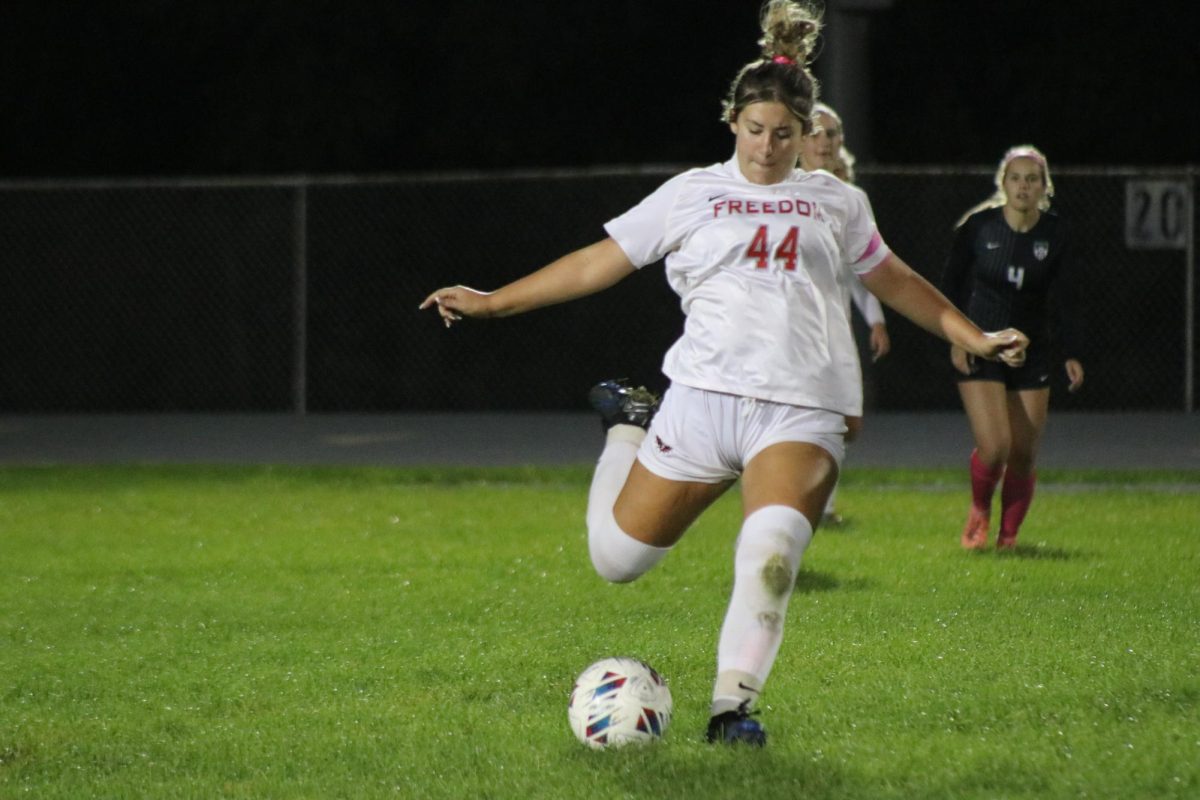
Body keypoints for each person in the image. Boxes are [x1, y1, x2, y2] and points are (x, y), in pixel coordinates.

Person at [421, 0, 1028, 747]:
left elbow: (896, 279)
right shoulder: (691, 193)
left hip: (803, 409)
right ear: (731, 124)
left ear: (806, 136)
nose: (768, 147)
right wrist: (493, 303)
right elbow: (594, 263)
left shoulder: (838, 202)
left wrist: (974, 334)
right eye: (754, 130)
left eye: (784, 134)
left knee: (770, 554)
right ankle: (627, 430)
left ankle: (731, 710)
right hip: (702, 401)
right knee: (617, 561)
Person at [941, 144, 1084, 551]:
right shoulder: (978, 226)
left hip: (1032, 351)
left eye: (1032, 178)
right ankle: (980, 511)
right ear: (1002, 183)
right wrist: (958, 338)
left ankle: (1009, 538)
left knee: (1022, 452)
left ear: (1045, 187)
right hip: (981, 346)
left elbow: (1069, 297)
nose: (1024, 186)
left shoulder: (1056, 233)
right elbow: (949, 289)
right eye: (1016, 177)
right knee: (995, 446)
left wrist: (1072, 352)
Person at [798, 101, 890, 525]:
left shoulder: (852, 200)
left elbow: (865, 270)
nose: (824, 141)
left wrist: (876, 319)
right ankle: (781, 503)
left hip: (832, 330)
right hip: (784, 331)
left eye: (832, 134)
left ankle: (822, 504)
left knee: (842, 422)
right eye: (814, 131)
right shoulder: (776, 190)